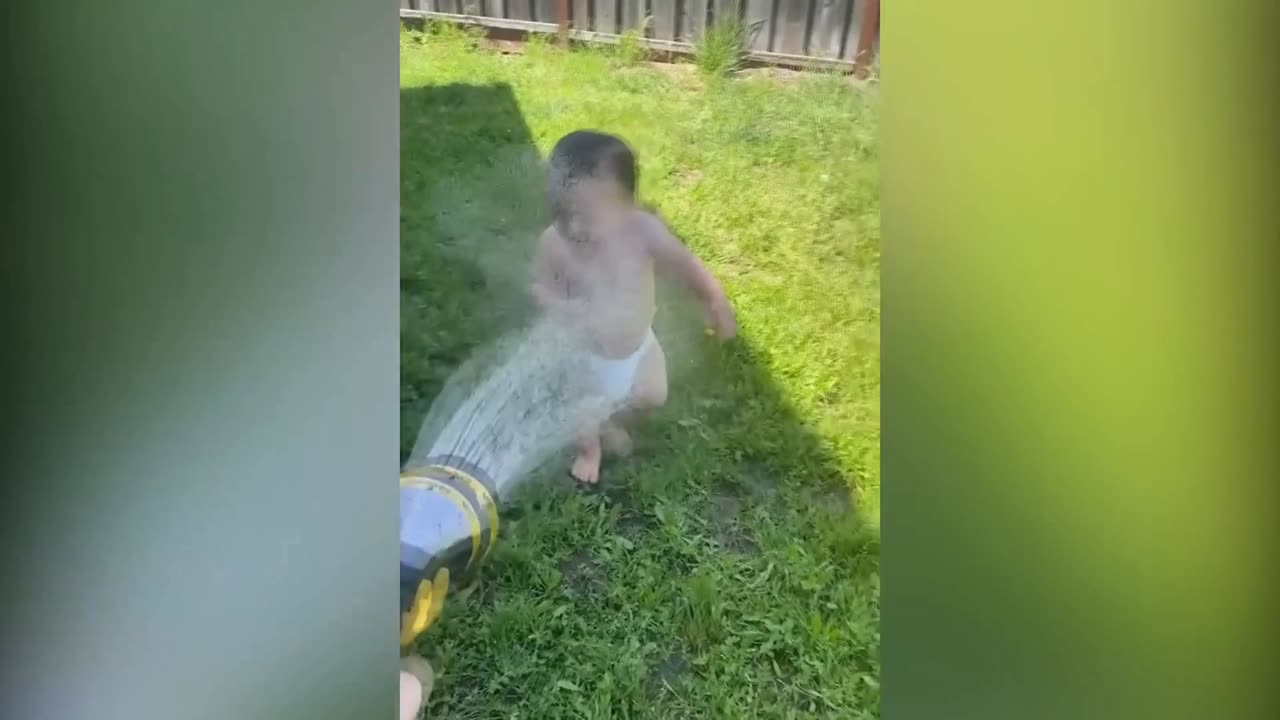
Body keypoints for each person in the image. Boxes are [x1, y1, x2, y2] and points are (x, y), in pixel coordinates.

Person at [531, 130, 736, 485]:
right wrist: (562, 308)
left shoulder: (643, 231)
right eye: (565, 213)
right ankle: (589, 451)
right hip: (585, 357)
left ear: (625, 205)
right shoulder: (553, 243)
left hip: (639, 346)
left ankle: (613, 423)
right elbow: (540, 289)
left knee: (654, 395)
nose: (575, 227)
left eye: (587, 214)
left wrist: (713, 298)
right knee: (583, 410)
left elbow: (684, 263)